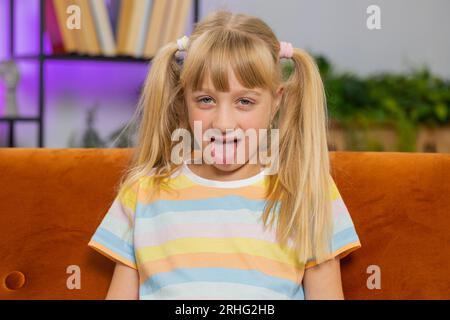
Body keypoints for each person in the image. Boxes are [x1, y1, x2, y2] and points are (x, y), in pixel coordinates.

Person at [88, 10, 361, 300]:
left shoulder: (308, 192)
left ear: (275, 102)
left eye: (245, 101)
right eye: (206, 100)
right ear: (184, 101)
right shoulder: (142, 192)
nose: (223, 123)